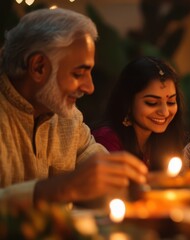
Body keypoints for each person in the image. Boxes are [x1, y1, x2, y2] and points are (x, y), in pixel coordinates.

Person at [0, 8, 147, 207]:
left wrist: (137, 186)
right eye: (78, 74)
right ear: (38, 67)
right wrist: (57, 189)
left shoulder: (69, 119)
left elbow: (103, 179)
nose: (90, 87)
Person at [91, 56, 185, 171]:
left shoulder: (164, 139)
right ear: (128, 102)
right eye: (152, 103)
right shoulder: (106, 140)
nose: (165, 112)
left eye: (171, 102)